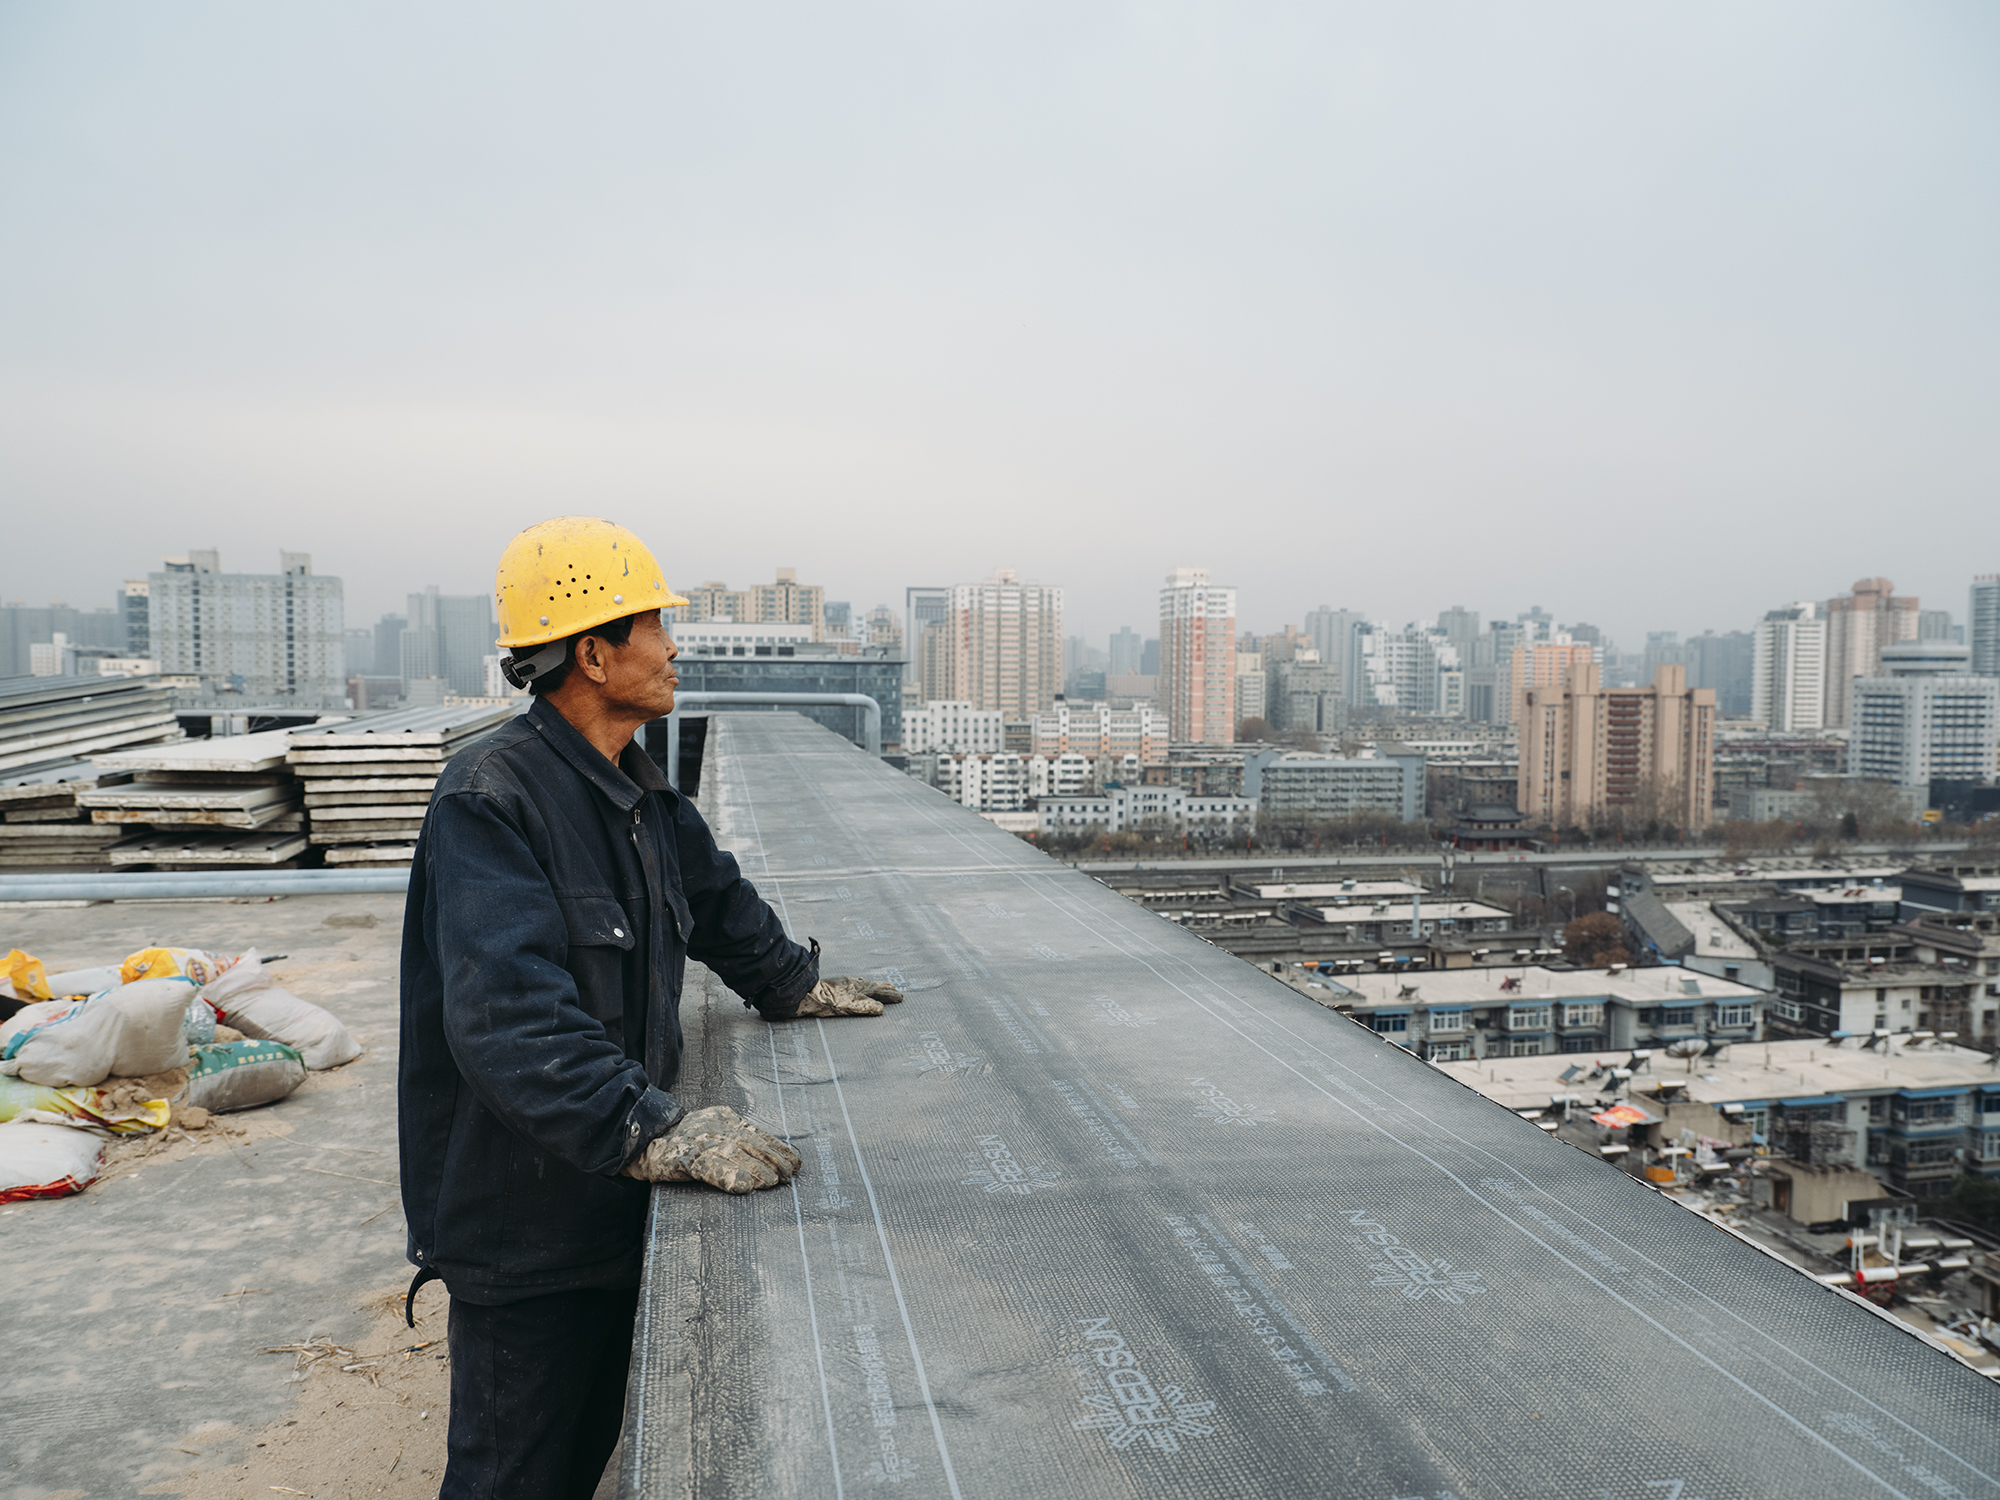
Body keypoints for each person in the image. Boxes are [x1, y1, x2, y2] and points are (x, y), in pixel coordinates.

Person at [398, 516, 903, 1499]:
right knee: (515, 1476)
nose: (674, 649)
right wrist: (658, 1130)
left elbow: (711, 898)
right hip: (528, 1229)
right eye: (654, 630)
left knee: (589, 1450)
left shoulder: (635, 788)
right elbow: (509, 1027)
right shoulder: (490, 802)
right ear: (592, 652)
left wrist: (790, 982)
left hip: (604, 1199)